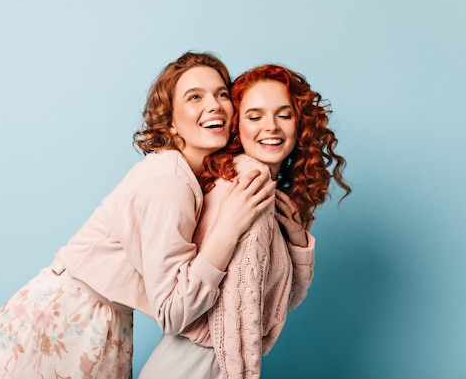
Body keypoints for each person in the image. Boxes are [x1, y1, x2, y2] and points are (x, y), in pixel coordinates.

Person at [0, 52, 277, 379]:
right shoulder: (171, 183)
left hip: (91, 318)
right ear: (171, 123)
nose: (214, 104)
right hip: (69, 320)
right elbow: (174, 313)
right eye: (195, 96)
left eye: (221, 94)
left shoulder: (182, 176)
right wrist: (229, 229)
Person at [139, 64, 351, 379]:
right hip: (197, 367)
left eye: (284, 114)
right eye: (254, 116)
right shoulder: (248, 183)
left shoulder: (258, 185)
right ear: (237, 126)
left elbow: (282, 301)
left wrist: (297, 242)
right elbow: (237, 320)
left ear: (300, 123)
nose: (272, 127)